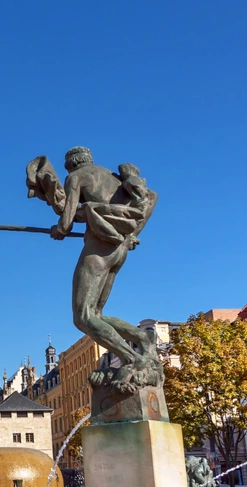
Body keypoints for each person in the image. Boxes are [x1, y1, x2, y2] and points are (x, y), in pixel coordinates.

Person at [47, 146, 160, 393]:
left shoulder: (75, 177)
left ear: (71, 164)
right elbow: (149, 198)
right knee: (96, 314)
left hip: (98, 249)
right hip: (119, 248)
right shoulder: (114, 179)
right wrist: (133, 234)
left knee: (83, 316)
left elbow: (67, 220)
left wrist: (59, 230)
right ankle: (141, 338)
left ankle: (131, 358)